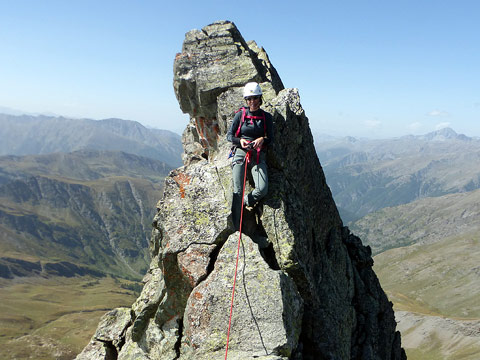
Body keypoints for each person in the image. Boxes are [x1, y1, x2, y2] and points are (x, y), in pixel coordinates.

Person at [227, 82, 274, 230]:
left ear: (260, 98)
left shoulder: (266, 117)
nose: (252, 102)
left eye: (254, 98)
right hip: (241, 151)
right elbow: (229, 136)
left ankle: (246, 201)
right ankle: (236, 227)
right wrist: (240, 141)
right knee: (237, 191)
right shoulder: (240, 115)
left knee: (262, 188)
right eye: (249, 99)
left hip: (258, 153)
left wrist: (262, 139)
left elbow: (270, 138)